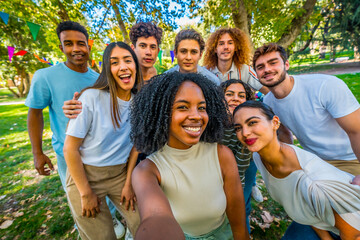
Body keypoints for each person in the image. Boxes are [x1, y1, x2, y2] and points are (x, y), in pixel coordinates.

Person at [130, 72, 249, 239]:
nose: (196, 116)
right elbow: (155, 218)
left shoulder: (222, 155)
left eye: (202, 107)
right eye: (182, 107)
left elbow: (236, 210)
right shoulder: (147, 171)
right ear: (161, 114)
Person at [233, 100, 360, 240]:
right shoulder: (259, 155)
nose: (245, 133)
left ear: (275, 123)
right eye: (238, 128)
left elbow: (353, 234)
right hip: (319, 221)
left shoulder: (314, 184)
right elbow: (308, 209)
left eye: (252, 123)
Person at [63, 42, 142, 240]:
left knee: (143, 223)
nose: (123, 67)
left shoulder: (139, 102)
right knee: (102, 236)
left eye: (127, 60)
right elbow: (70, 149)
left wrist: (129, 182)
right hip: (86, 176)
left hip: (120, 174)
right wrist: (85, 192)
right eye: (115, 62)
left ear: (135, 66)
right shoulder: (90, 98)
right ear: (108, 69)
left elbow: (137, 145)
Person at [252, 43, 360, 176]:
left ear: (286, 65)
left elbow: (357, 130)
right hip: (314, 160)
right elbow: (284, 134)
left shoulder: (325, 86)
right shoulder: (268, 102)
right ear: (256, 73)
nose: (267, 69)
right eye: (260, 67)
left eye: (273, 63)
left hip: (351, 159)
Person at [26, 21, 98, 190]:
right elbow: (35, 113)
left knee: (106, 204)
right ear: (61, 48)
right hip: (68, 156)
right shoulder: (45, 76)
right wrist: (37, 153)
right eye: (68, 44)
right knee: (82, 204)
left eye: (81, 43)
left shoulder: (98, 79)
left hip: (99, 155)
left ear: (88, 46)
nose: (75, 49)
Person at [204, 27, 268, 94]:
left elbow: (268, 91)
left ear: (236, 47)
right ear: (215, 49)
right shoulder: (205, 72)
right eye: (221, 44)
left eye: (230, 43)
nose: (226, 47)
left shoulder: (245, 70)